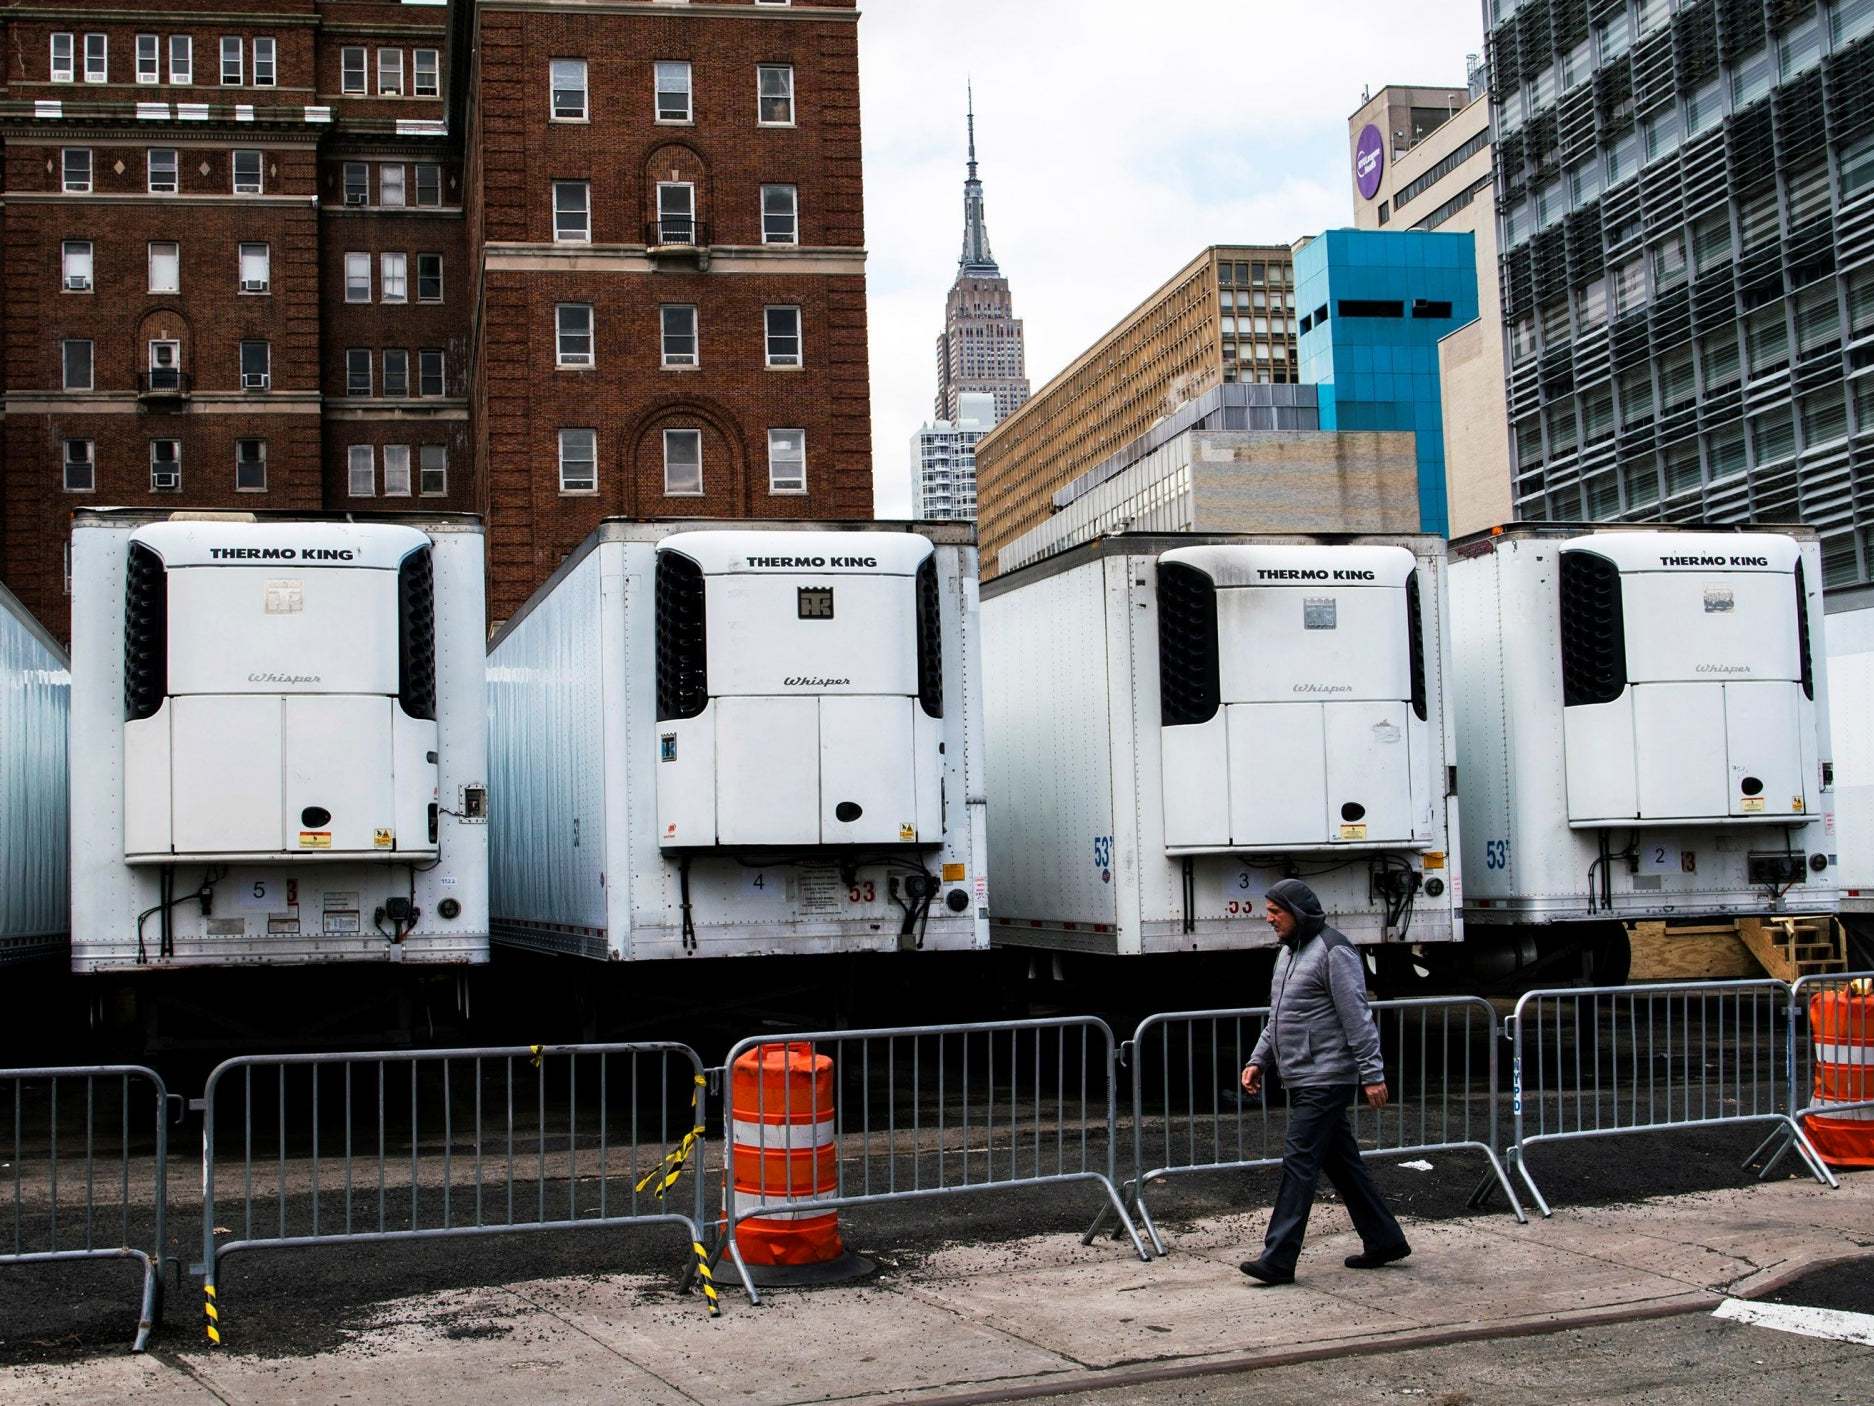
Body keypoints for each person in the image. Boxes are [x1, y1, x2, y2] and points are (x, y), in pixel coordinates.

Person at [1237, 877, 1410, 1285]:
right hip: (1301, 1074)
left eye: (1276, 913)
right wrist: (1258, 1059)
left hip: (1326, 1076)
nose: (1269, 920)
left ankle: (1278, 1259)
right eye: (1269, 912)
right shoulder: (1288, 954)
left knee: (1299, 1163)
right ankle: (1385, 1239)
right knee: (1343, 1164)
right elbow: (1280, 1016)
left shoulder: (1334, 951)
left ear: (1297, 914)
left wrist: (1372, 1074)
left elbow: (1357, 1017)